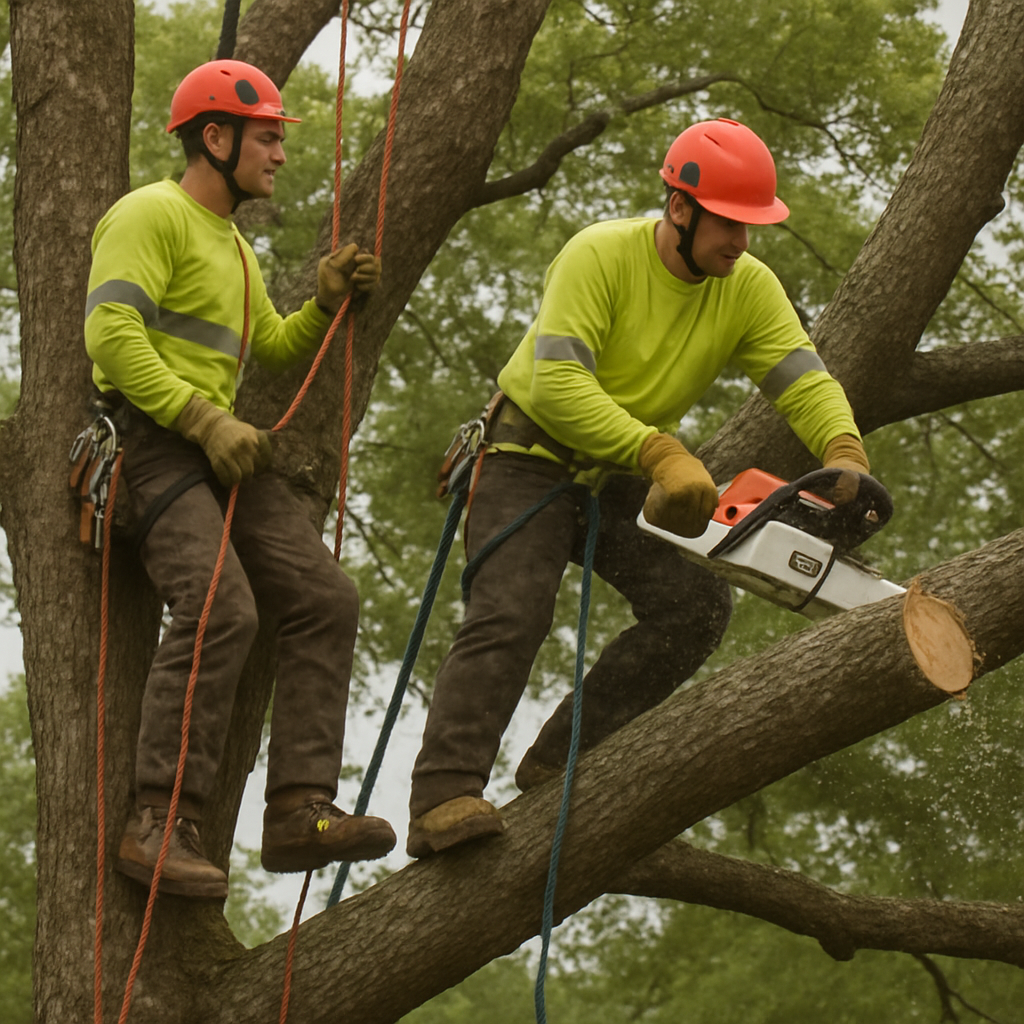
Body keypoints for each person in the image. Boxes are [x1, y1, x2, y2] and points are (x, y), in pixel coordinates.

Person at [406, 117, 872, 858]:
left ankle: (560, 757)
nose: (743, 242)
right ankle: (442, 798)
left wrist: (843, 450)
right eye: (731, 223)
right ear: (681, 209)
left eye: (753, 227)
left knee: (693, 606)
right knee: (513, 610)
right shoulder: (601, 255)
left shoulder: (746, 287)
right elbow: (557, 383)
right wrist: (657, 449)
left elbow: (803, 380)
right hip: (528, 453)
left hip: (616, 473)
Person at [84, 59, 395, 899]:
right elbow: (111, 334)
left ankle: (299, 810)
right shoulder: (150, 214)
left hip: (211, 448)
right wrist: (202, 418)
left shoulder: (236, 249)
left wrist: (324, 302)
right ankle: (159, 821)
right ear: (214, 138)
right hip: (149, 441)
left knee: (326, 596)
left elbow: (275, 347)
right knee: (220, 603)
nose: (281, 154)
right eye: (268, 138)